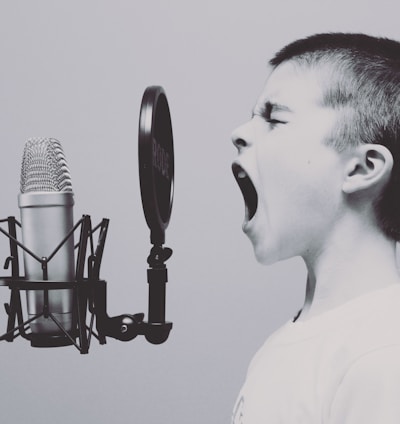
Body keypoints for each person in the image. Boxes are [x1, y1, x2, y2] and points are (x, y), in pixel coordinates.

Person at [231, 33, 400, 423]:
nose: (239, 132)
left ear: (361, 168)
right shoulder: (282, 346)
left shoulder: (384, 352)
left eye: (274, 118)